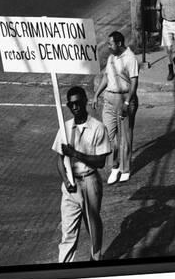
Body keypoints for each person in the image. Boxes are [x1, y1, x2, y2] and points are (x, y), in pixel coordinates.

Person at [52, 86, 111, 263]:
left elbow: (100, 162)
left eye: (78, 103)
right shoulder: (65, 128)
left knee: (92, 223)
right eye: (71, 104)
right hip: (70, 185)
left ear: (85, 101)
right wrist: (66, 180)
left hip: (90, 181)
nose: (75, 107)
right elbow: (59, 160)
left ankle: (96, 256)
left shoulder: (98, 128)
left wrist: (76, 154)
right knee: (68, 232)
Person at [93, 31, 138, 185]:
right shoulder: (112, 57)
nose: (108, 46)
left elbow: (134, 82)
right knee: (108, 136)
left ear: (119, 43)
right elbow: (106, 76)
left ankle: (125, 169)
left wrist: (127, 103)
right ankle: (114, 166)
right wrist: (97, 94)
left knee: (125, 137)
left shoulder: (130, 58)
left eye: (110, 44)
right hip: (109, 99)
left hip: (124, 98)